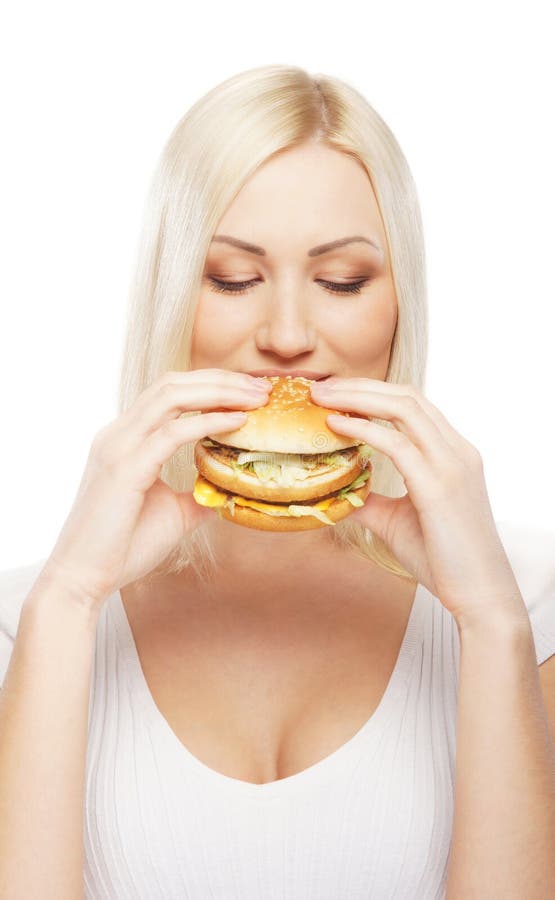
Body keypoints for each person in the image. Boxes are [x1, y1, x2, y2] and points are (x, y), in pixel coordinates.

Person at [1, 65, 554, 900]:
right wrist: (70, 594)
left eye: (341, 282)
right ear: (169, 298)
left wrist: (490, 621)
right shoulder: (33, 620)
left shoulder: (525, 601)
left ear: (401, 304)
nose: (288, 335)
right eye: (231, 278)